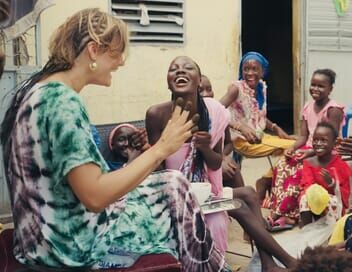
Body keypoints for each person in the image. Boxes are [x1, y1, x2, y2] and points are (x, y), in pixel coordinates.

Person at [0, 9, 232, 271]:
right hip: (67, 245)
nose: (121, 62)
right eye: (117, 52)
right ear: (93, 51)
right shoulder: (61, 102)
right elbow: (95, 196)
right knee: (176, 190)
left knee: (173, 184)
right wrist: (162, 148)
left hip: (42, 237)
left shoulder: (38, 90)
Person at [146, 55, 297, 271]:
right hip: (174, 196)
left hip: (204, 192)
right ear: (168, 80)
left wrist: (206, 148)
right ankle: (285, 262)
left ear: (199, 80)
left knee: (246, 196)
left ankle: (269, 263)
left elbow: (216, 164)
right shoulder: (157, 115)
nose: (180, 71)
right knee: (240, 206)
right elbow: (156, 168)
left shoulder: (212, 112)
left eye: (188, 67)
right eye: (173, 69)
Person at [268, 69, 345, 228]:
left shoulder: (333, 110)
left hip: (325, 151)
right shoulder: (308, 106)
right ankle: (284, 212)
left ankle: (284, 215)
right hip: (309, 148)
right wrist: (292, 147)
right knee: (282, 165)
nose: (315, 89)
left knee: (298, 171)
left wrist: (309, 153)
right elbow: (303, 137)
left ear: (330, 89)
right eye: (313, 85)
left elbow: (329, 141)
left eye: (321, 86)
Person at [220, 51, 295, 204]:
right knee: (296, 147)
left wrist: (276, 127)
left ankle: (266, 179)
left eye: (255, 69)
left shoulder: (261, 87)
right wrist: (240, 127)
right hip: (242, 140)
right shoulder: (236, 89)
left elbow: (257, 115)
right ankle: (267, 181)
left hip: (259, 137)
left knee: (297, 146)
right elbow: (216, 111)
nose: (250, 73)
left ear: (263, 71)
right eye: (246, 69)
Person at [299, 122, 351, 227]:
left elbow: (345, 193)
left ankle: (332, 232)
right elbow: (307, 185)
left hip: (333, 205)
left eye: (323, 140)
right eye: (315, 139)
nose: (318, 143)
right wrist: (317, 195)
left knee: (332, 201)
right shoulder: (308, 163)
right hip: (314, 202)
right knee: (304, 198)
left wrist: (331, 183)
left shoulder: (341, 164)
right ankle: (307, 230)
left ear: (334, 144)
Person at [199, 74, 244, 188]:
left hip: (216, 159)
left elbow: (229, 143)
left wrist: (223, 156)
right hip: (198, 165)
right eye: (200, 91)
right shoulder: (191, 117)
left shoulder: (218, 115)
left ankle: (238, 201)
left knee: (233, 170)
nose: (206, 94)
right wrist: (219, 162)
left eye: (209, 89)